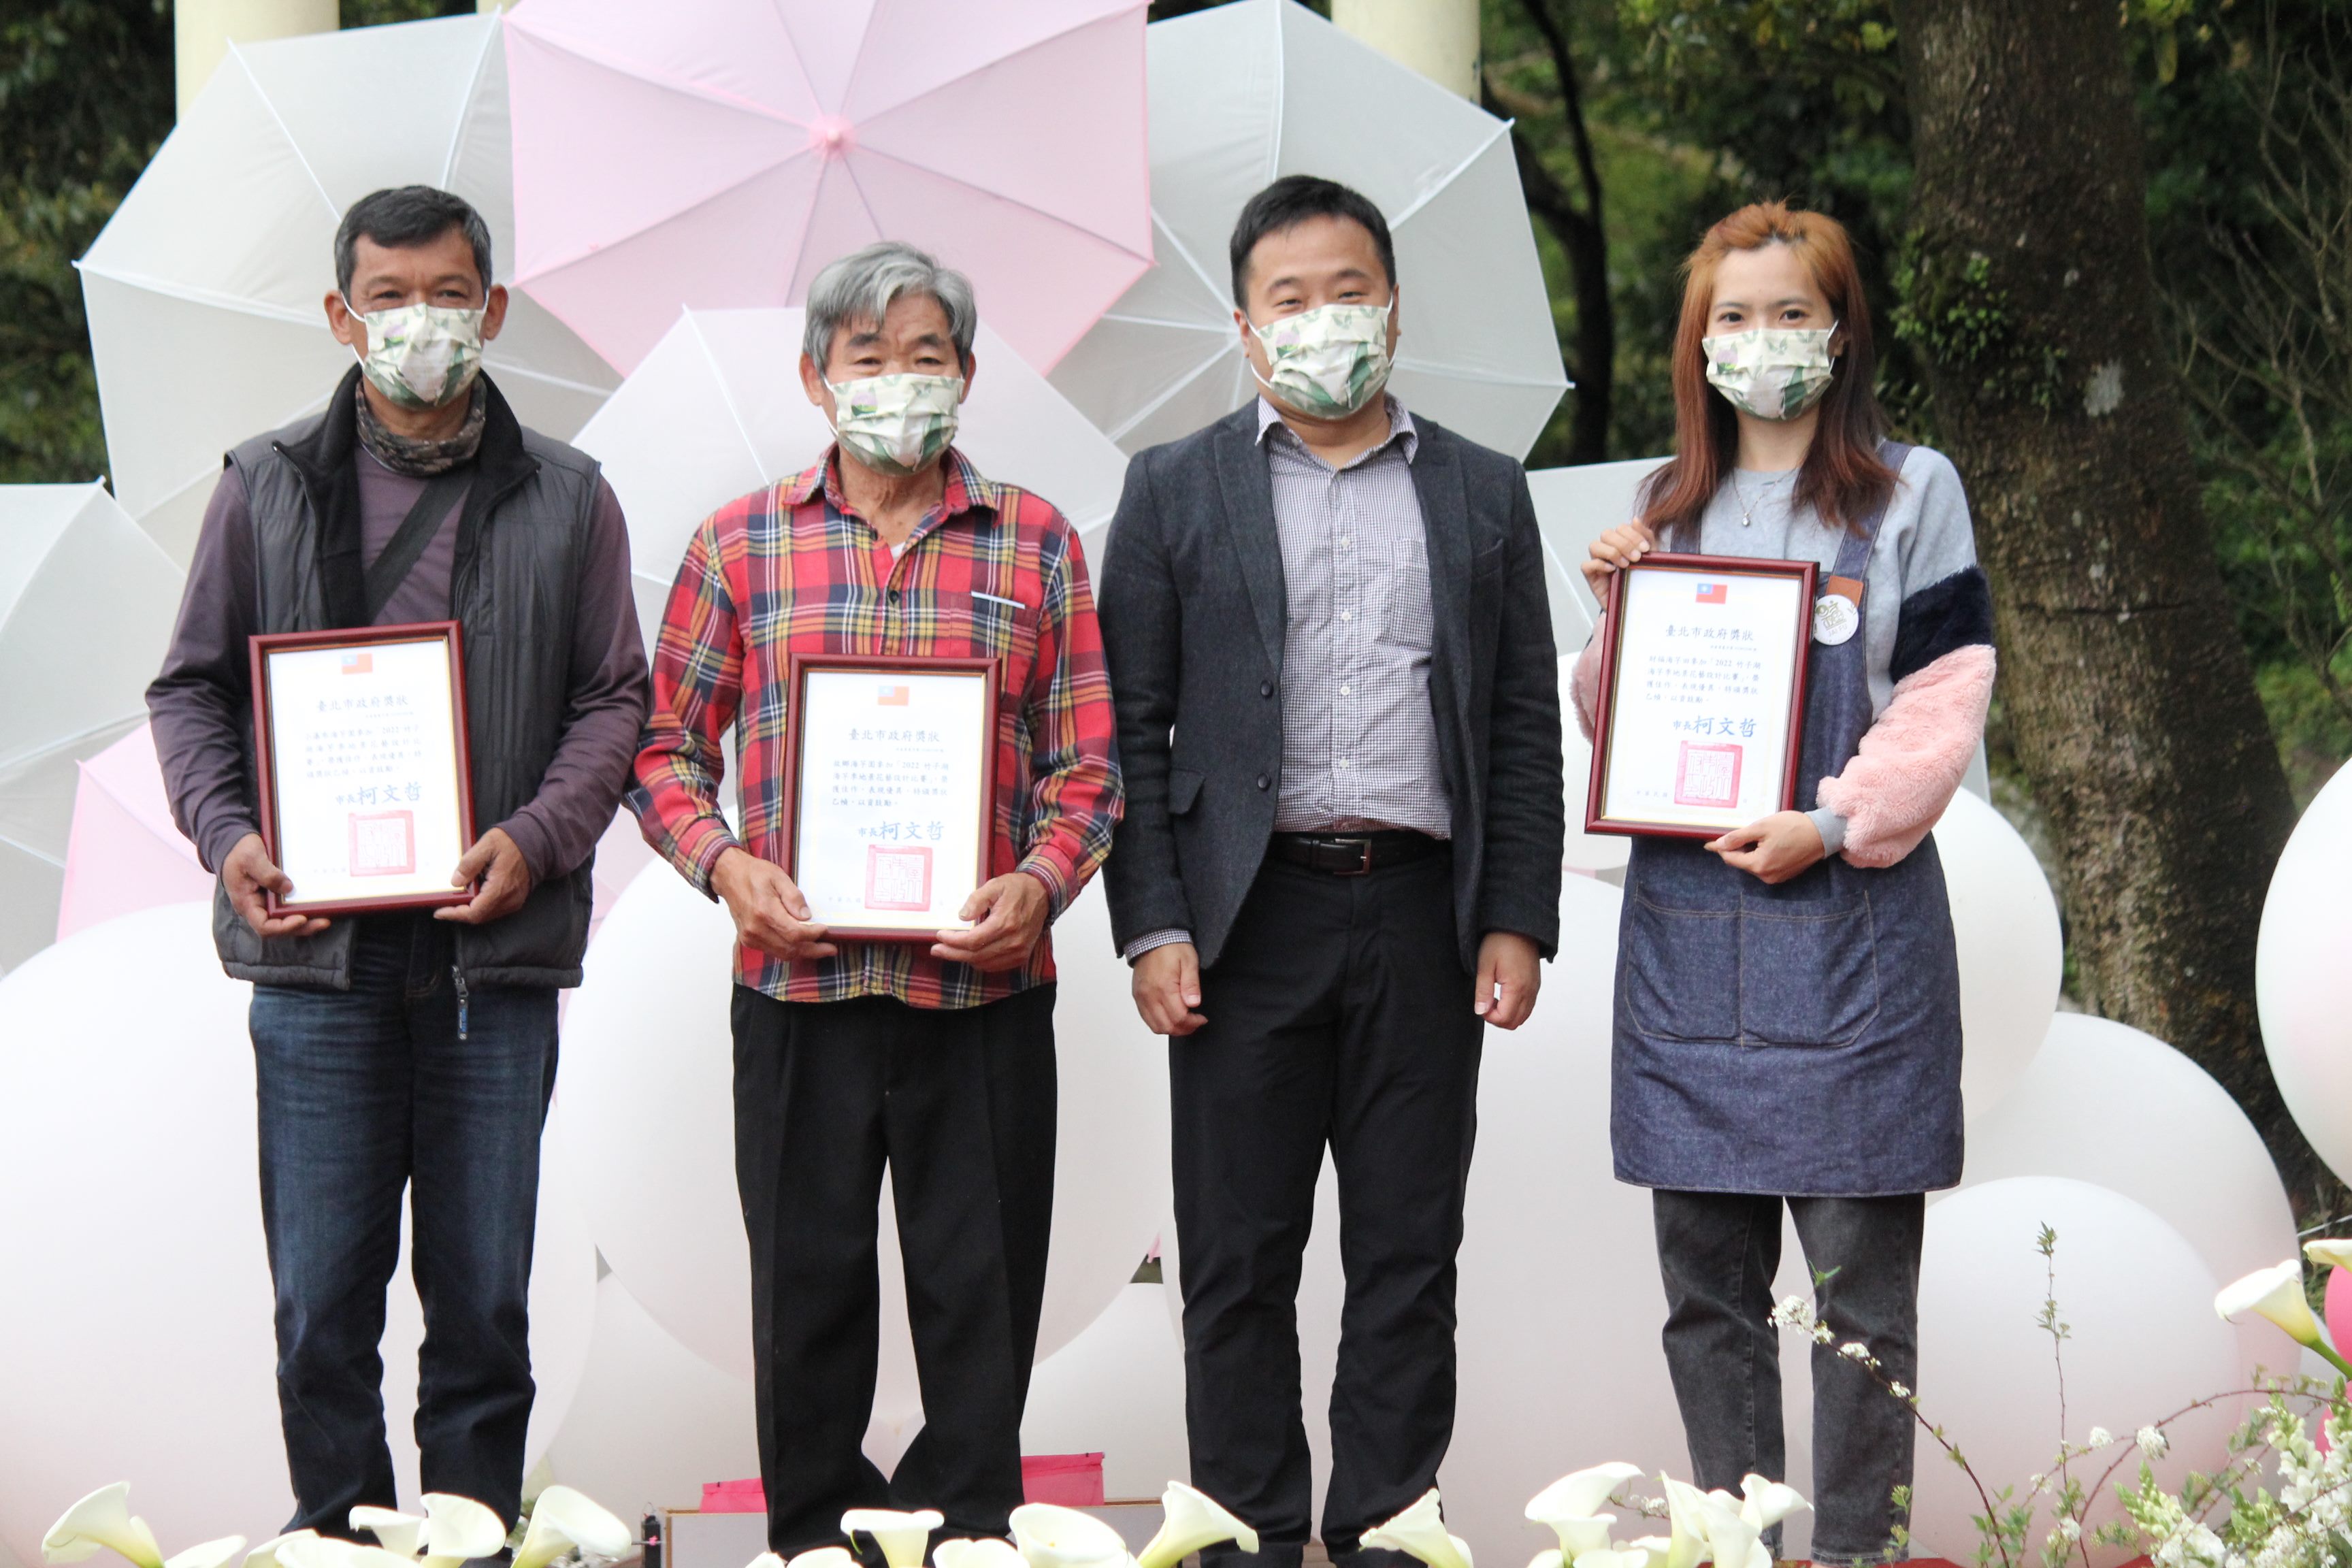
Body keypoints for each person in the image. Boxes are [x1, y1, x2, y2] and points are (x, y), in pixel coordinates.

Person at [146, 185, 649, 1533]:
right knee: (321, 1309)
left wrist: (536, 841)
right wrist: (231, 837)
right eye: (390, 297)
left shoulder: (569, 498)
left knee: (484, 1309)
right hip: (320, 962)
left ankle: (470, 1544)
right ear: (341, 315)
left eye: (446, 295)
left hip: (493, 958)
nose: (420, 321)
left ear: (492, 310)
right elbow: (190, 691)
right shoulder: (262, 486)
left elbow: (614, 699)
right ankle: (342, 1542)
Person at [1094, 175, 1565, 1567]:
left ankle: (1386, 1535)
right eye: (1289, 299)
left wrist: (1516, 915)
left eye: (1347, 292)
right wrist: (1152, 923)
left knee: (1408, 1257)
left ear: (1393, 308)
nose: (1322, 321)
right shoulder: (1173, 489)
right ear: (1246, 328)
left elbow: (1521, 722)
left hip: (1424, 909)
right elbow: (1127, 726)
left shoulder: (1481, 490)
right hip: (1246, 918)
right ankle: (1244, 1536)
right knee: (1236, 1259)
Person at [627, 241, 1122, 1556]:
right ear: (816, 377)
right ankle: (816, 1542)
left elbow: (1088, 766)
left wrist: (1040, 883)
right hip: (799, 990)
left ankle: (966, 1535)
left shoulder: (1037, 542)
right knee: (807, 1303)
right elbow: (662, 746)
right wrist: (724, 865)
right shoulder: (738, 544)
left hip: (984, 992)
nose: (899, 382)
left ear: (967, 373)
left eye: (925, 357)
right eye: (869, 358)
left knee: (983, 1306)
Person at [1573, 201, 1995, 1564]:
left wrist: (1830, 819)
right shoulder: (1666, 509)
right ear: (1699, 346)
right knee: (1708, 1302)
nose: (1764, 341)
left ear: (1841, 331)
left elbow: (1943, 699)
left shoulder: (1913, 492)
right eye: (1736, 318)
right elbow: (1616, 726)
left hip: (1857, 942)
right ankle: (1735, 1547)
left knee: (1863, 1314)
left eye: (1792, 313)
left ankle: (1858, 1555)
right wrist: (1615, 610)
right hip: (1689, 955)